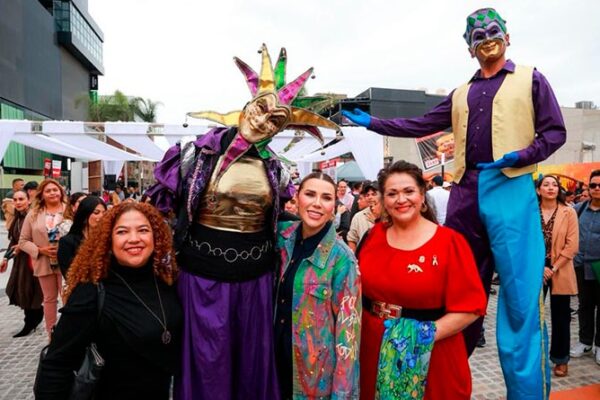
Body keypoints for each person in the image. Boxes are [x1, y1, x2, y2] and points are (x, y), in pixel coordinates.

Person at [343, 8, 565, 398]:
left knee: (520, 302)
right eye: (477, 35)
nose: (486, 38)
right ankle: (442, 384)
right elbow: (421, 124)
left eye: (493, 30)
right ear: (468, 48)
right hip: (465, 190)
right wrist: (374, 124)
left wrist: (523, 155)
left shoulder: (531, 78)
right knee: (454, 294)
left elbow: (554, 132)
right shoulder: (461, 92)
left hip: (511, 186)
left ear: (507, 36)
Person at [147, 44, 340, 400]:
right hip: (201, 282)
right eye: (261, 109)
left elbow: (286, 222)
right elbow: (158, 214)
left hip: (255, 284)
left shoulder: (276, 170)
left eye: (275, 121)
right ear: (248, 104)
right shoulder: (194, 155)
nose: (262, 121)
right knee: (206, 364)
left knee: (251, 365)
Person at [358, 161, 486, 400]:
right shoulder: (373, 236)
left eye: (409, 191)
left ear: (422, 195)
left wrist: (417, 337)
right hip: (371, 348)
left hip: (429, 354)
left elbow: (470, 308)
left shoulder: (450, 242)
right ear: (383, 200)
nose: (401, 199)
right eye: (392, 193)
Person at [34, 202, 182, 399]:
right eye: (122, 232)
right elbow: (56, 364)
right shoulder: (92, 291)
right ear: (108, 240)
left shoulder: (166, 279)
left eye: (143, 230)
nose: (134, 239)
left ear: (156, 236)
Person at [274, 172, 360, 399]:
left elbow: (348, 334)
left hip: (313, 377)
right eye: (310, 194)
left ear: (334, 206)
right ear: (297, 197)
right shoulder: (282, 238)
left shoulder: (342, 259)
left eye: (326, 197)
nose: (317, 203)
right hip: (271, 365)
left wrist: (342, 394)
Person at [536, 175, 579, 377]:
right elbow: (525, 241)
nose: (551, 188)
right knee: (533, 315)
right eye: (546, 184)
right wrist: (540, 267)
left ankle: (561, 359)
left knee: (561, 316)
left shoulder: (568, 212)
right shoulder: (531, 212)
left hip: (560, 267)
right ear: (539, 190)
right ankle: (534, 356)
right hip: (535, 268)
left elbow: (572, 245)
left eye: (554, 185)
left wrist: (552, 268)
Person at [19, 179, 67, 338]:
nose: (52, 193)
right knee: (49, 299)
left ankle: (70, 333)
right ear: (42, 195)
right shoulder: (33, 214)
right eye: (48, 191)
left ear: (61, 192)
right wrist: (40, 250)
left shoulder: (70, 210)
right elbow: (23, 241)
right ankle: (51, 334)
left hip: (66, 262)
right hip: (44, 262)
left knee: (68, 298)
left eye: (55, 189)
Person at [0, 190, 43, 337]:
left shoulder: (33, 217)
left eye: (21, 199)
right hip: (20, 261)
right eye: (15, 199)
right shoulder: (17, 219)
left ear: (28, 200)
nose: (18, 202)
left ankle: (32, 320)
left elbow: (39, 237)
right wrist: (6, 258)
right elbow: (13, 241)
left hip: (32, 259)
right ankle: (32, 318)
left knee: (30, 290)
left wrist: (23, 246)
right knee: (20, 289)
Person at [570, 170, 600, 365]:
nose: (597, 189)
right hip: (581, 265)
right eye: (593, 185)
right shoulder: (577, 209)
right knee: (585, 305)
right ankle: (585, 341)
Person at [57, 196, 107, 278]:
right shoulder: (67, 242)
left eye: (104, 213)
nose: (102, 216)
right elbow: (68, 274)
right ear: (84, 215)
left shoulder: (108, 239)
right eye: (96, 213)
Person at [347, 181, 380, 252]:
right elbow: (352, 239)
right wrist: (353, 256)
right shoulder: (358, 217)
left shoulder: (390, 215)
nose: (370, 197)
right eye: (367, 195)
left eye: (374, 194)